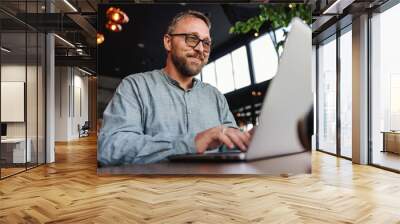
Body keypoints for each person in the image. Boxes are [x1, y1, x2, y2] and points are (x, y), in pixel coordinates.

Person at [98, 10, 252, 165]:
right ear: (168, 42)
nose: (200, 49)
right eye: (192, 38)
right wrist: (191, 143)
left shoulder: (215, 96)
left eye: (206, 43)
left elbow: (232, 144)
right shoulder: (135, 86)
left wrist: (249, 140)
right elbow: (110, 148)